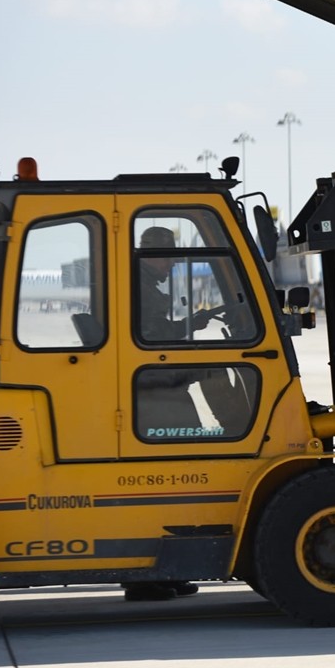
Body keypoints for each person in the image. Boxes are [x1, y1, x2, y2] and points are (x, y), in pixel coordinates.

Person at [122, 225, 209, 603]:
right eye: (169, 257)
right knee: (182, 467)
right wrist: (192, 326)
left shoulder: (139, 282)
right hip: (153, 389)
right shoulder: (138, 286)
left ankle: (167, 568)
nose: (173, 264)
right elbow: (152, 338)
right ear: (154, 255)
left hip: (154, 384)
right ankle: (146, 576)